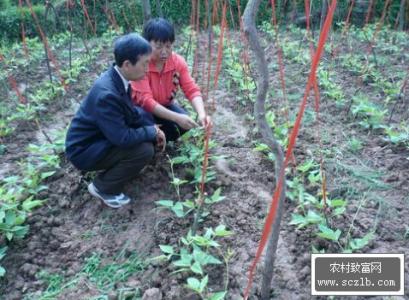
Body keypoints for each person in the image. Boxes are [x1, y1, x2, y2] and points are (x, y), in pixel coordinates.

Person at [65, 33, 166, 209]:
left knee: (143, 117)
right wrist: (151, 132)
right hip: (84, 151)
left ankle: (115, 170)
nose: (147, 69)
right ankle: (102, 187)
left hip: (97, 139)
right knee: (143, 150)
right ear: (127, 64)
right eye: (144, 64)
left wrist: (151, 127)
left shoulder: (118, 79)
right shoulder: (107, 94)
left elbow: (131, 113)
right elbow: (122, 138)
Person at [131, 18, 211, 142]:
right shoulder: (141, 65)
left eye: (168, 46)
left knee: (183, 124)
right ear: (146, 44)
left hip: (164, 106)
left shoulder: (177, 62)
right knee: (145, 121)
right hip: (141, 110)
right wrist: (176, 117)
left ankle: (159, 139)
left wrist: (202, 114)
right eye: (158, 47)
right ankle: (149, 140)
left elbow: (191, 90)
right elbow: (147, 102)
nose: (164, 52)